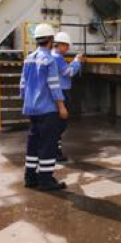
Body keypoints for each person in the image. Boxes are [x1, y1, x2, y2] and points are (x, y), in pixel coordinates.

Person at [20, 23, 68, 191]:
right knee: (48, 144)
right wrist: (61, 107)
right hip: (47, 110)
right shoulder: (49, 60)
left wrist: (27, 101)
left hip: (32, 109)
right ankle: (46, 180)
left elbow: (23, 84)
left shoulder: (28, 59)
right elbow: (54, 85)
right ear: (50, 40)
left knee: (33, 143)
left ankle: (30, 177)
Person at [51, 31, 82, 162]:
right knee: (60, 124)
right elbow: (68, 72)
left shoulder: (52, 56)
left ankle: (54, 150)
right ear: (59, 45)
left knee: (56, 124)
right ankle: (55, 152)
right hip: (61, 92)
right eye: (66, 45)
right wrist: (77, 61)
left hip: (55, 92)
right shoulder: (57, 58)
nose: (68, 48)